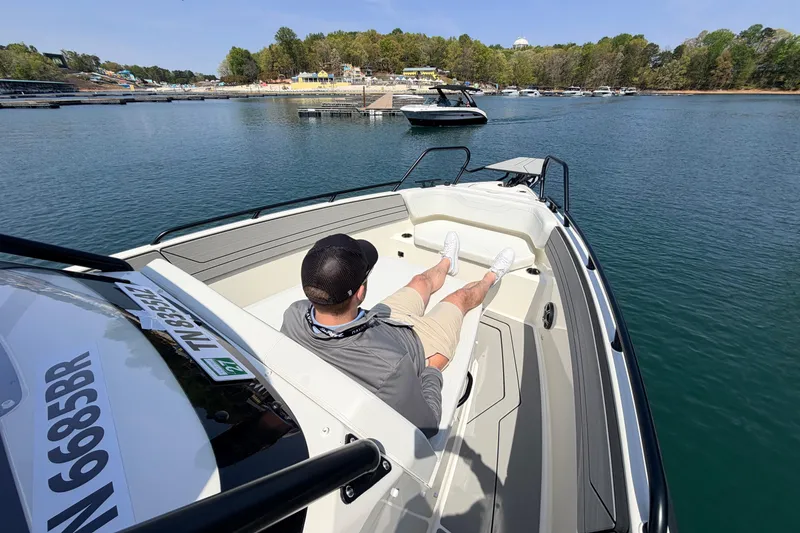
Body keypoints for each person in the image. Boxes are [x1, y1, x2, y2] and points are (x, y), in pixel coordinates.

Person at [281, 232, 515, 437]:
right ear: (360, 292)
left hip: (377, 321)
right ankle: (491, 278)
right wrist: (432, 369)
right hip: (422, 345)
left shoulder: (294, 314)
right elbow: (428, 425)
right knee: (459, 298)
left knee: (420, 281)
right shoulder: (390, 368)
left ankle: (446, 263)